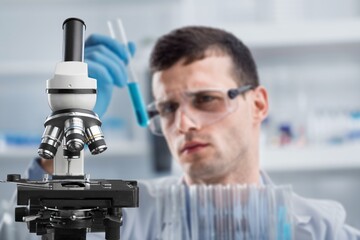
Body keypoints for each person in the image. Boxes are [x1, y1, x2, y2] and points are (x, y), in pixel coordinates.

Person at [28, 26, 360, 239]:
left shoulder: (321, 229)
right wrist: (70, 119)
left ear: (258, 104)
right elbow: (37, 228)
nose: (183, 124)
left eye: (206, 99)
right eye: (168, 109)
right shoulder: (127, 217)